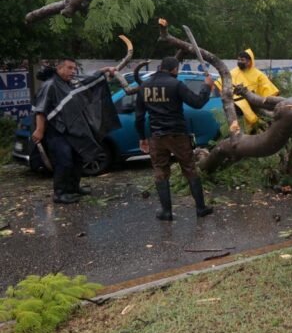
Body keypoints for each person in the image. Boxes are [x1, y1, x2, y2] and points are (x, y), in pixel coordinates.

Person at [135, 56, 215, 220]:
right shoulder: (176, 84)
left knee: (160, 171)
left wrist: (142, 137)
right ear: (174, 69)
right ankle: (200, 208)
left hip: (156, 136)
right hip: (178, 135)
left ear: (160, 67)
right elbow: (197, 102)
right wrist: (206, 87)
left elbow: (139, 116)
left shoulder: (144, 86)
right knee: (189, 168)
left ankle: (166, 211)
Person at [31, 58, 120, 204]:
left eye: (74, 69)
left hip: (71, 132)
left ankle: (73, 188)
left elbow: (88, 81)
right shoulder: (50, 85)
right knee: (64, 161)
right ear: (59, 68)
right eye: (69, 68)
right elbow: (40, 111)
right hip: (56, 132)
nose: (73, 71)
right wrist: (39, 130)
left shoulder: (69, 83)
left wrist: (104, 70)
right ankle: (59, 193)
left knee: (78, 158)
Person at [215, 48, 279, 133]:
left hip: (255, 106)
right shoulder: (233, 72)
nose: (239, 61)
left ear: (249, 61)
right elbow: (220, 83)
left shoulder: (258, 74)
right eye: (238, 59)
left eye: (242, 60)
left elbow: (268, 90)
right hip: (237, 107)